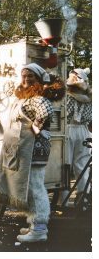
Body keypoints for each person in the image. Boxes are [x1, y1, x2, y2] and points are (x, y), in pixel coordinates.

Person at [0, 63, 65, 243]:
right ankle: (34, 223)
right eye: (24, 75)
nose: (26, 79)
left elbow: (46, 112)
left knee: (34, 188)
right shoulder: (25, 97)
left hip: (34, 149)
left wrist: (36, 128)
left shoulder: (39, 98)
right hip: (23, 150)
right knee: (28, 187)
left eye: (30, 76)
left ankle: (40, 228)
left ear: (39, 79)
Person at [65, 68, 91, 202]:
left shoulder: (67, 93)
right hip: (84, 130)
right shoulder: (90, 96)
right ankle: (83, 196)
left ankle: (63, 197)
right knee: (81, 163)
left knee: (65, 164)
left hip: (68, 129)